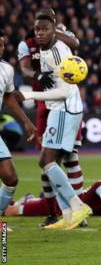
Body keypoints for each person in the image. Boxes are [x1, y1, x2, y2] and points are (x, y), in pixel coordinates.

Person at [14, 14, 91, 230]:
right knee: (49, 162)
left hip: (65, 109)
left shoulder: (59, 52)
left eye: (45, 29)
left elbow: (64, 93)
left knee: (48, 160)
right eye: (37, 29)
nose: (40, 33)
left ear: (54, 29)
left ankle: (77, 206)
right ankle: (67, 214)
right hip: (58, 109)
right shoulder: (44, 50)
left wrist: (30, 96)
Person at [5, 157, 101, 217]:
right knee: (9, 211)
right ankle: (13, 202)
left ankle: (29, 199)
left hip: (72, 207)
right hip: (58, 207)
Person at [0, 34, 37, 220]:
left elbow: (8, 97)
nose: (0, 47)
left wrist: (26, 121)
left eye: (2, 44)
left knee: (10, 177)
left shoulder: (6, 69)